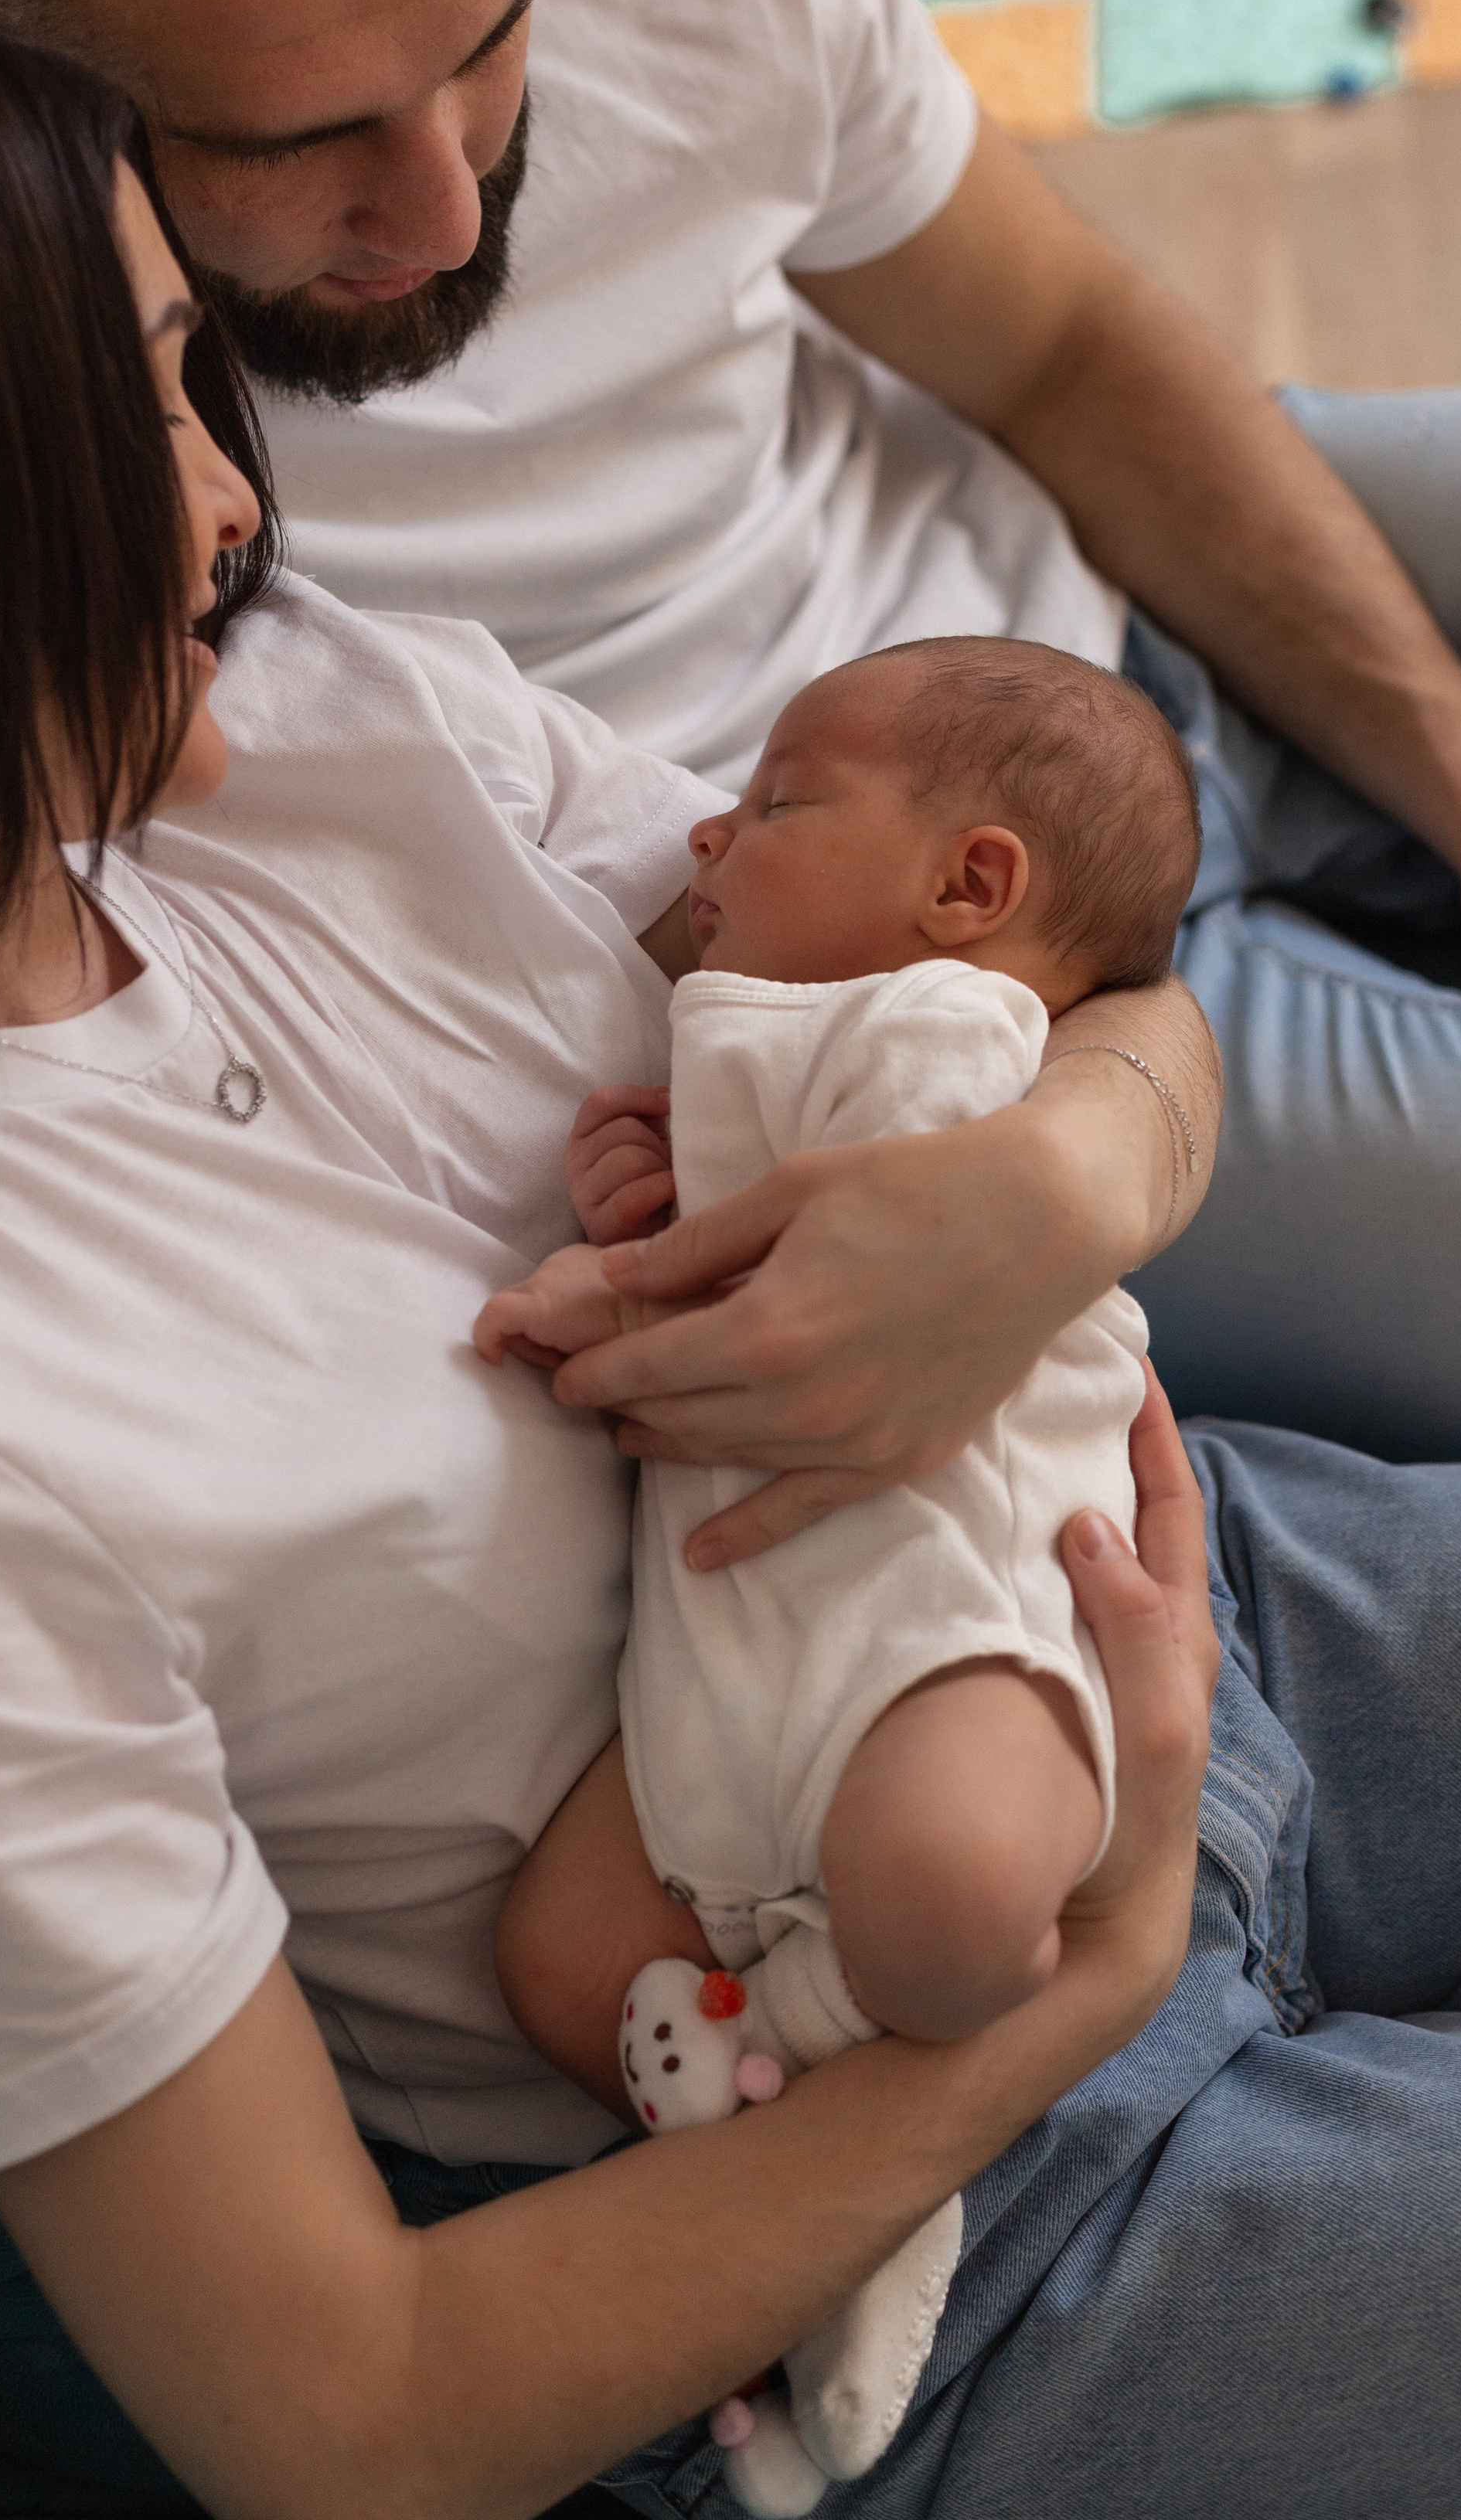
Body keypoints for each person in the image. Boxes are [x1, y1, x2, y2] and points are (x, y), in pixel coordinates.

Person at [0, 0, 1461, 2520]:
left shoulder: (310, 722)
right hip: (924, 2221)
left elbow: (1076, 966)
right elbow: (341, 2423)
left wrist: (1069, 1176)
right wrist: (1047, 2015)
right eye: (128, 412)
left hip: (1207, 1614)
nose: (228, 499)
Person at [0, 0, 1461, 1470]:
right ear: (16, 77)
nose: (448, 215)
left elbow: (1056, 345)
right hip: (871, 981)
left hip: (1078, 603)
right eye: (300, 142)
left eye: (492, 47)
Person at [477, 639, 1203, 2511]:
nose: (713, 828)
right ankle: (822, 2147)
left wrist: (614, 1275)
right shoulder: (794, 1023)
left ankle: (795, 2040)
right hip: (727, 1656)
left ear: (965, 891)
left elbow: (830, 1261)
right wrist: (657, 1188)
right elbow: (769, 1223)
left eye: (779, 806)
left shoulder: (938, 1031)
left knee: (954, 1888)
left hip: (935, 1618)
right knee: (558, 1948)